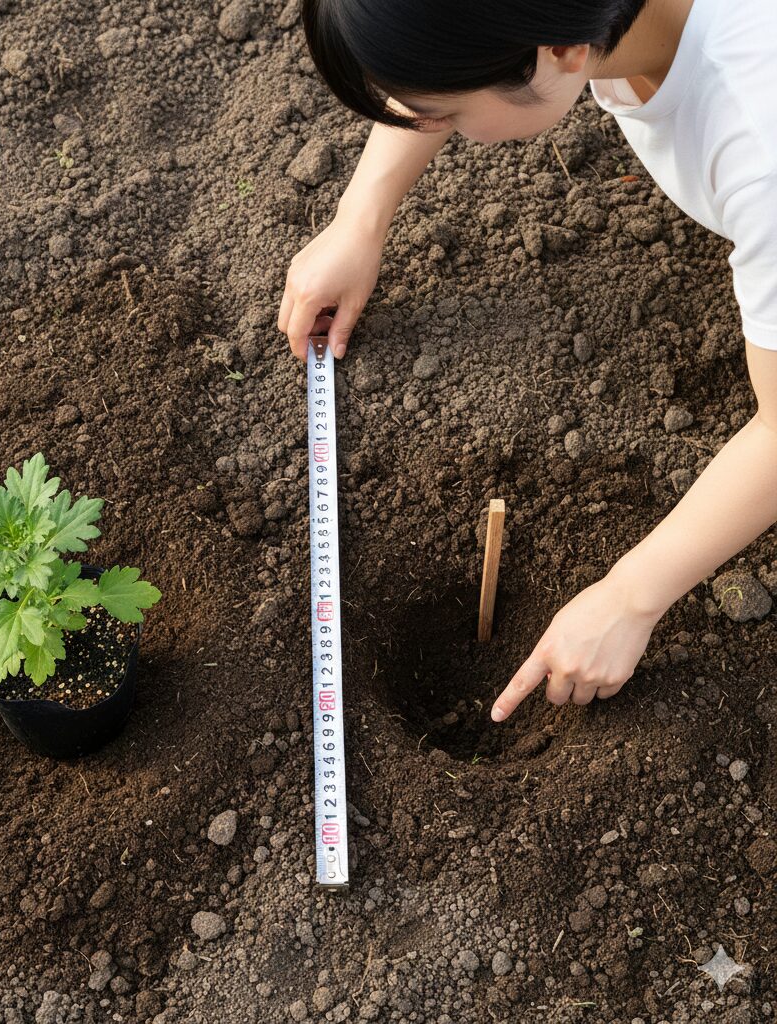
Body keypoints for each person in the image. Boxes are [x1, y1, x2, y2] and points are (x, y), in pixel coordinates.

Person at [277, 0, 777, 721]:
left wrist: (631, 595)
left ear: (562, 53)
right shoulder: (569, 24)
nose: (426, 124)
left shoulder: (758, 143)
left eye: (444, 114)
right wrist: (360, 217)